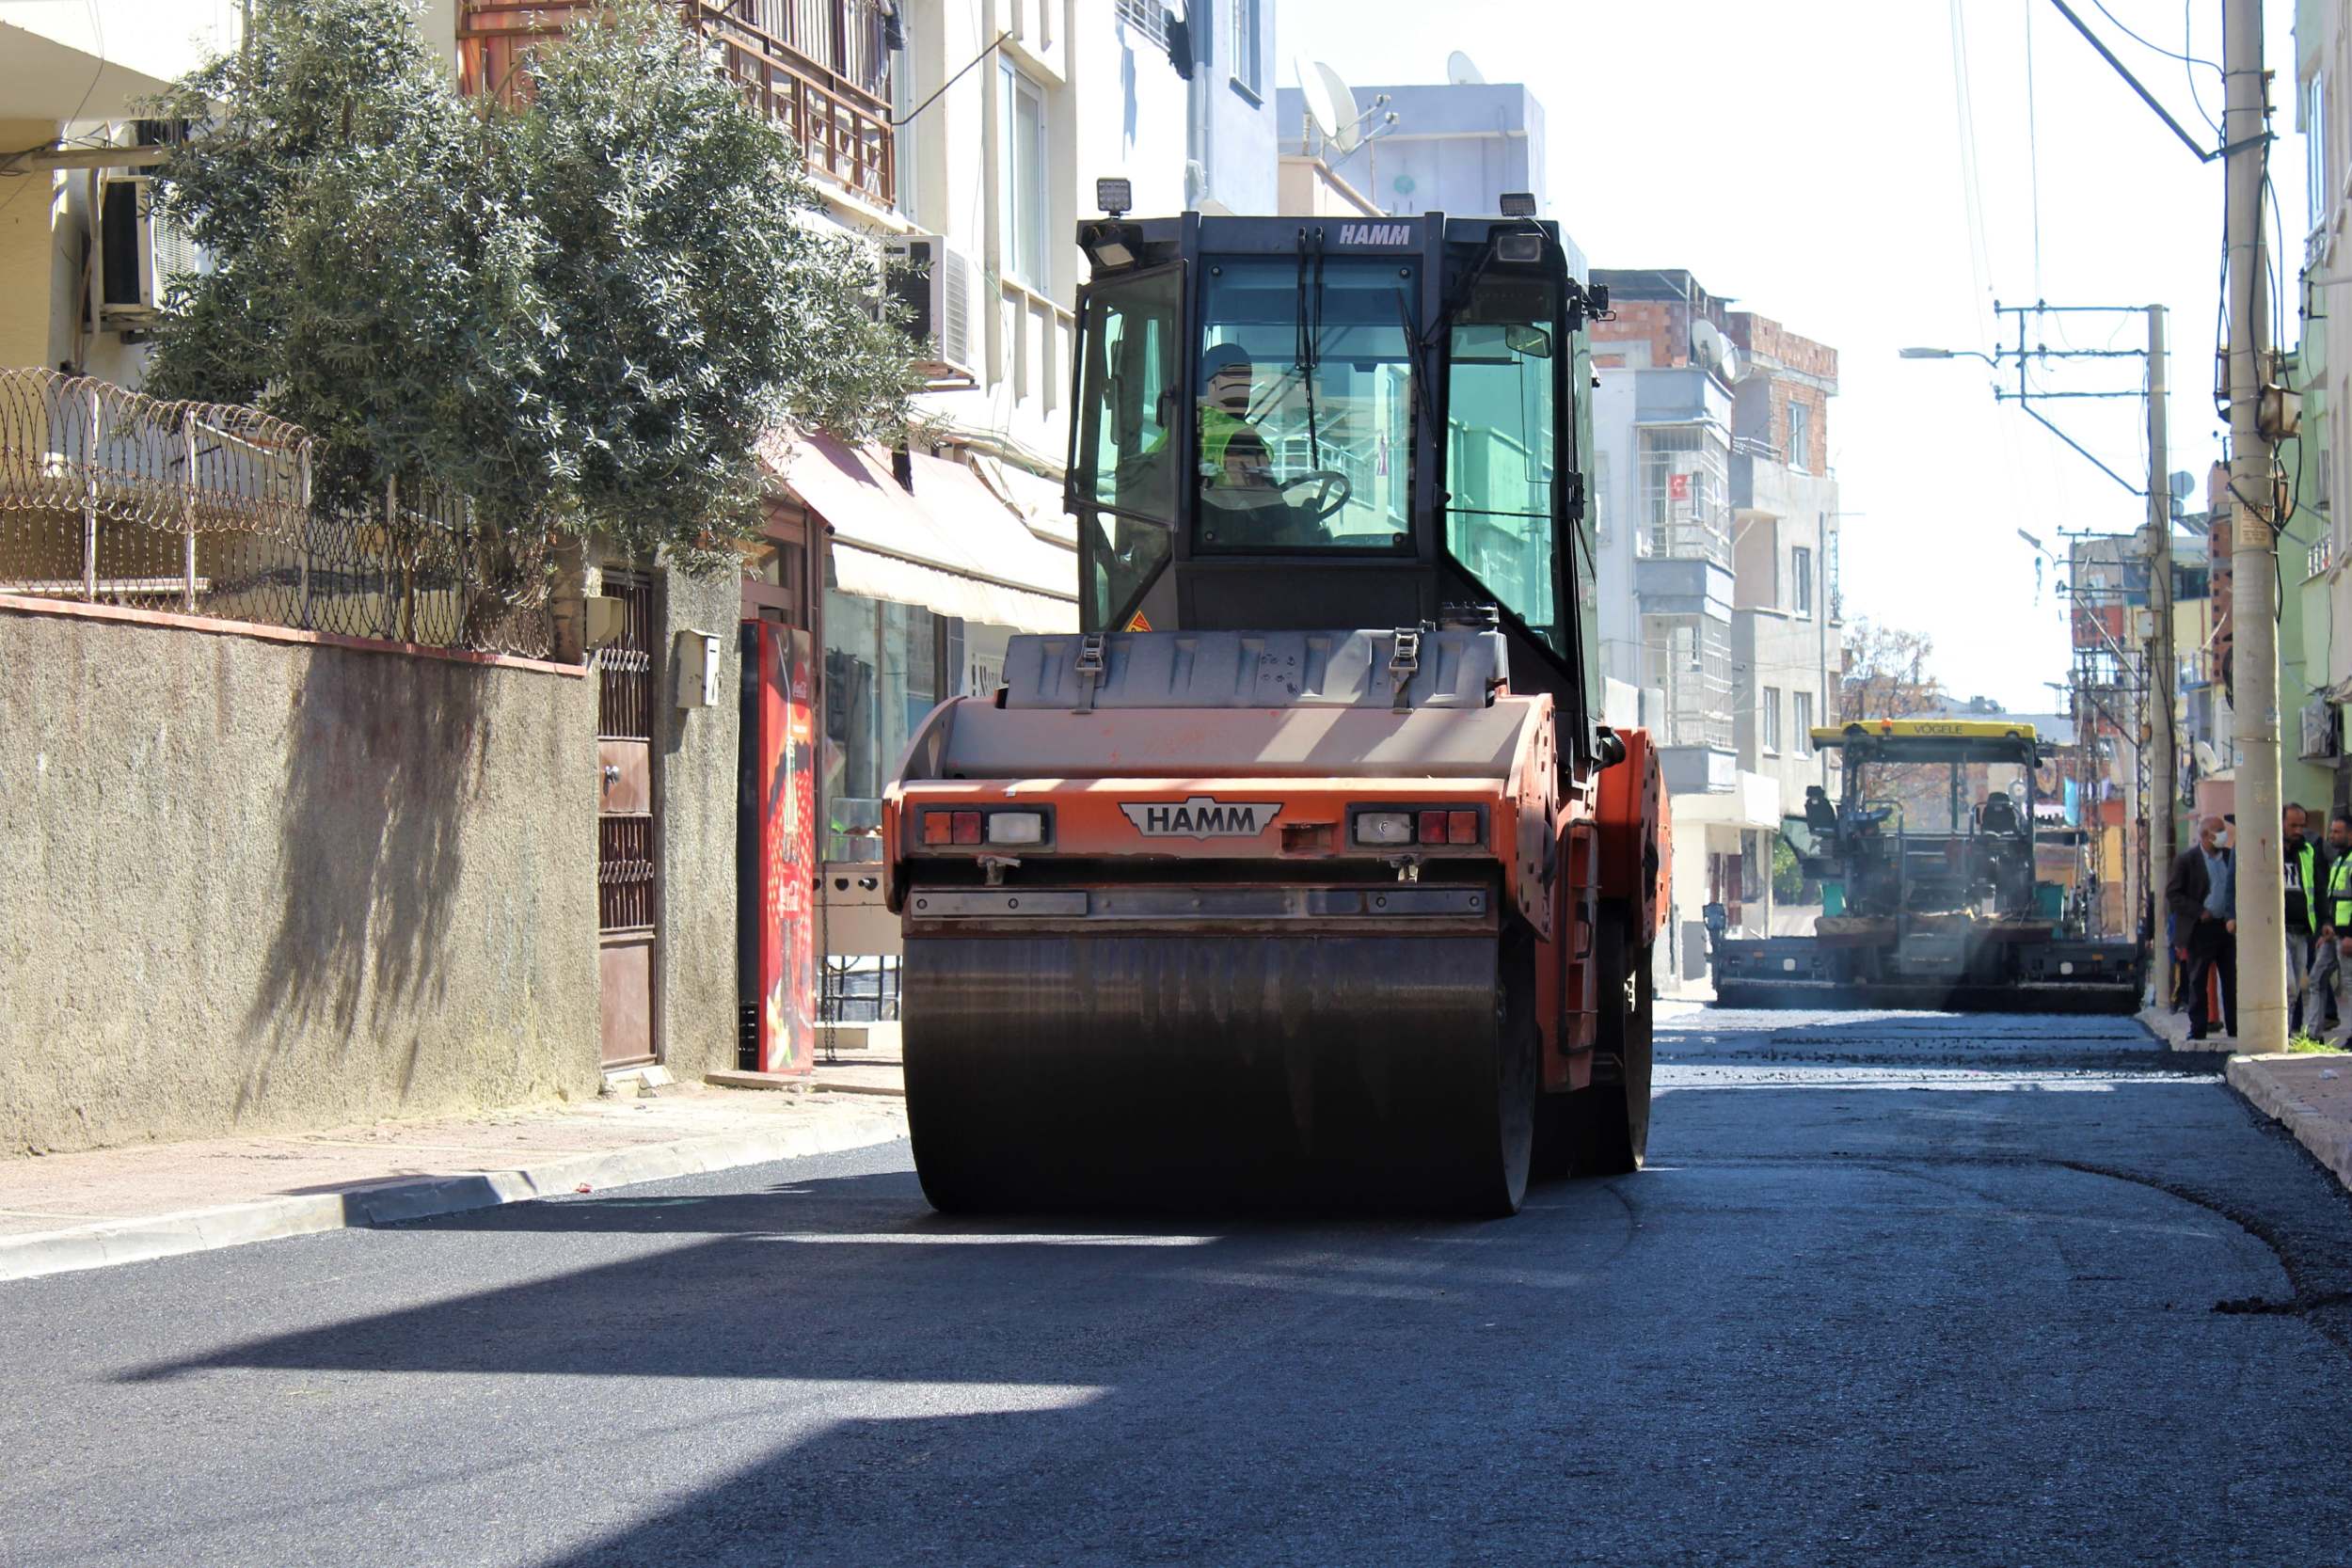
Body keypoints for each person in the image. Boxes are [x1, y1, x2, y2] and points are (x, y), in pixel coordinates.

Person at [2164, 814, 2237, 1041]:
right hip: (2200, 928)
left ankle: (2235, 1027)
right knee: (2198, 979)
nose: (2224, 835)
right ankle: (2198, 1028)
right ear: (2206, 835)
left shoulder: (2230, 856)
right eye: (2219, 831)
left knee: (2231, 979)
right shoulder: (2187, 860)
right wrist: (2199, 911)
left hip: (2227, 927)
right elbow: (2173, 894)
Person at [2283, 803, 2320, 1033]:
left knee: (2296, 988)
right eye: (2293, 825)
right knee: (2287, 985)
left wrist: (2323, 922)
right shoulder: (2271, 849)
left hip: (2302, 930)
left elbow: (2318, 886)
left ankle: (2287, 1033)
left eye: (2301, 826)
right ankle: (2283, 1033)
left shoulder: (2307, 851)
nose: (2298, 830)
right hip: (2278, 929)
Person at [2315, 813, 2352, 1039]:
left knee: (2350, 985)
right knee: (2317, 978)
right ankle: (2313, 1033)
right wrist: (2327, 927)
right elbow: (2334, 900)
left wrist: (2350, 936)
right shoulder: (2339, 860)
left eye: (2337, 831)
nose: (2331, 835)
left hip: (2347, 937)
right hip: (2334, 934)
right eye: (2331, 831)